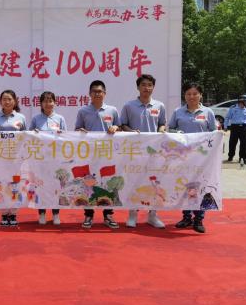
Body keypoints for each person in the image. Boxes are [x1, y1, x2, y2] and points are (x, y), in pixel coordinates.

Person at [169, 82, 217, 234]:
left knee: (200, 187)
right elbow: (170, 129)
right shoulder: (178, 112)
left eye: (195, 93)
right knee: (184, 186)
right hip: (183, 157)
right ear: (184, 95)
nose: (192, 96)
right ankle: (186, 217)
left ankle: (199, 219)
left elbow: (213, 133)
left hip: (202, 158)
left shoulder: (208, 112)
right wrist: (177, 133)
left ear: (200, 95)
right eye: (188, 94)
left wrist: (219, 135)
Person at [120, 74, 166, 229]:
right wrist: (132, 131)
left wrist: (161, 130)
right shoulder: (129, 106)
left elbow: (162, 124)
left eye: (150, 85)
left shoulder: (159, 106)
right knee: (135, 182)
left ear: (153, 87)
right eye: (143, 85)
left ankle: (152, 216)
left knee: (155, 183)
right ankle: (132, 215)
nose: (147, 88)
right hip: (135, 152)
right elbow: (123, 125)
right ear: (138, 87)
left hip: (154, 152)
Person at [75, 80, 120, 229]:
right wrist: (80, 131)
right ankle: (88, 215)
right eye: (94, 91)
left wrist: (115, 127)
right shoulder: (83, 111)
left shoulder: (112, 110)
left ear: (104, 93)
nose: (97, 94)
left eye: (100, 91)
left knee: (107, 182)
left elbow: (119, 127)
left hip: (108, 154)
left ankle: (108, 215)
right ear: (89, 94)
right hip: (89, 154)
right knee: (89, 184)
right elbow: (77, 130)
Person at [0, 90, 27, 227]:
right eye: (4, 99)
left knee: (15, 185)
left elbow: (25, 137)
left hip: (16, 158)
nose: (6, 102)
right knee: (1, 184)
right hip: (0, 158)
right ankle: (4, 213)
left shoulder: (21, 118)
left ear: (15, 101)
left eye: (9, 99)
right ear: (0, 101)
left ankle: (13, 213)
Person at [30, 91, 67, 225]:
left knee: (55, 186)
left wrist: (61, 134)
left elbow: (66, 137)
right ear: (41, 104)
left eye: (50, 100)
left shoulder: (60, 119)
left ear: (55, 103)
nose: (48, 103)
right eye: (45, 101)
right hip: (40, 159)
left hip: (56, 159)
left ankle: (56, 213)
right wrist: (34, 133)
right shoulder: (36, 119)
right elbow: (29, 137)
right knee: (41, 185)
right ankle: (42, 213)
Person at [224, 95, 246, 165]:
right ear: (241, 101)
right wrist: (225, 126)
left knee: (243, 144)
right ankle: (231, 156)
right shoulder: (233, 108)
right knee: (232, 142)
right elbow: (227, 117)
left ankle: (243, 158)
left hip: (244, 127)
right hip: (235, 127)